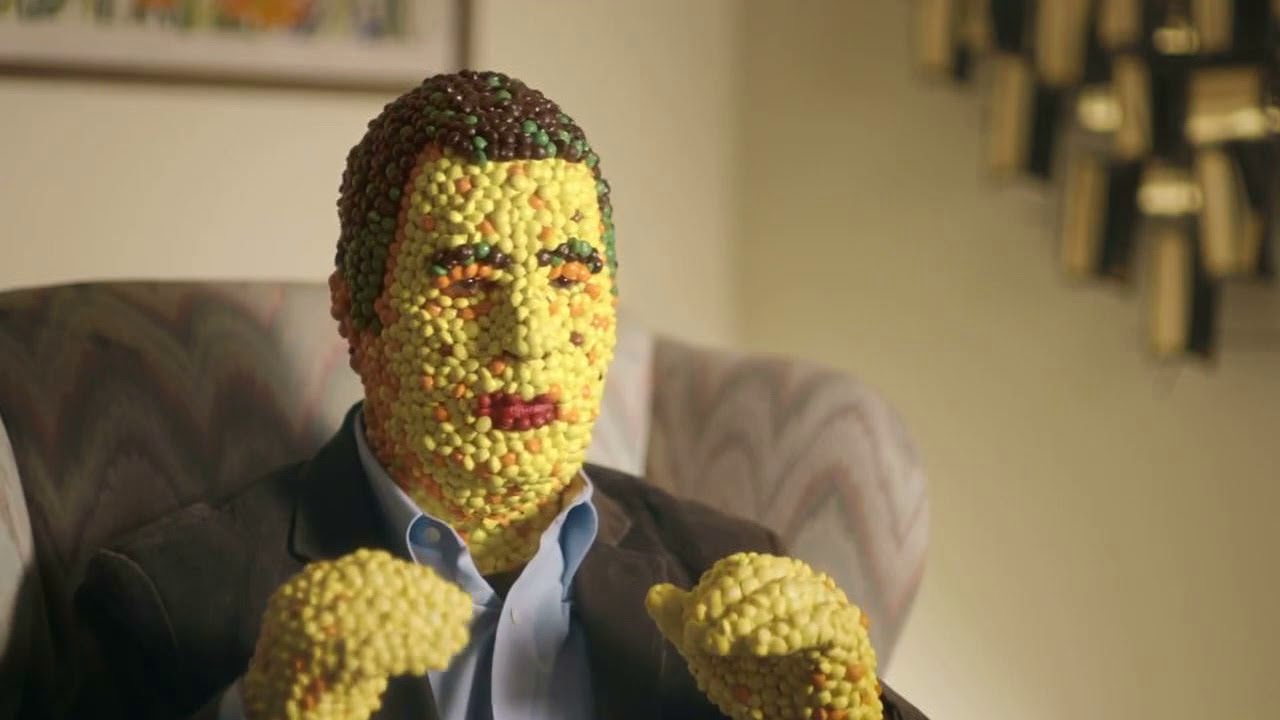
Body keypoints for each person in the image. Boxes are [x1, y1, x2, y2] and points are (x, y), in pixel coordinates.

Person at [72, 70, 929, 720]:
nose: (530, 337)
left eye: (568, 280)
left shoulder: (730, 566)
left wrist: (841, 708)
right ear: (358, 315)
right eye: (470, 283)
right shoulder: (167, 599)